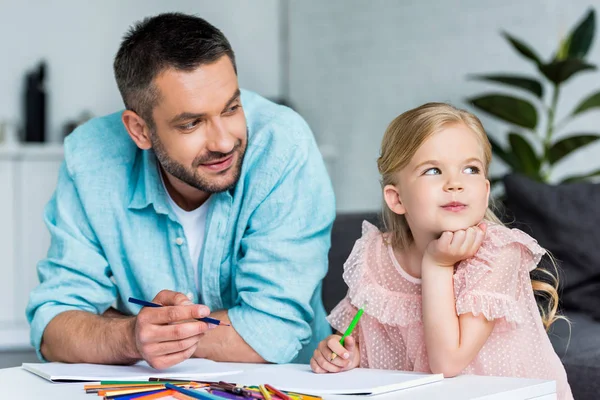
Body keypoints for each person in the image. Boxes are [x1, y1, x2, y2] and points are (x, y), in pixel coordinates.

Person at [26, 12, 335, 369]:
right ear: (139, 130)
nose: (223, 141)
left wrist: (114, 330)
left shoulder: (282, 144)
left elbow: (272, 331)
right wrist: (131, 337)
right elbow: (54, 328)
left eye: (231, 108)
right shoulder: (91, 157)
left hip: (281, 388)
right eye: (191, 123)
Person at [310, 103, 573, 399]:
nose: (455, 183)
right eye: (433, 170)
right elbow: (355, 344)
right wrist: (343, 356)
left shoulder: (498, 253)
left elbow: (447, 363)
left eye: (470, 169)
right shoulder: (375, 256)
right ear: (397, 199)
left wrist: (436, 265)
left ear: (485, 192)